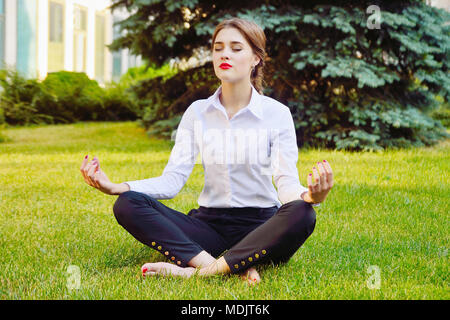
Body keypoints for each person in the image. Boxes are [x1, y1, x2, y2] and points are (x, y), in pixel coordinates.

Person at [80, 17, 333, 285]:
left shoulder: (277, 114)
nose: (225, 54)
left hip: (261, 226)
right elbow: (172, 181)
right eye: (218, 47)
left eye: (236, 48)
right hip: (208, 227)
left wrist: (310, 195)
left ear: (256, 58)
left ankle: (197, 271)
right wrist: (117, 186)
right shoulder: (197, 112)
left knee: (302, 213)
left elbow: (285, 182)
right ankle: (222, 266)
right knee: (128, 203)